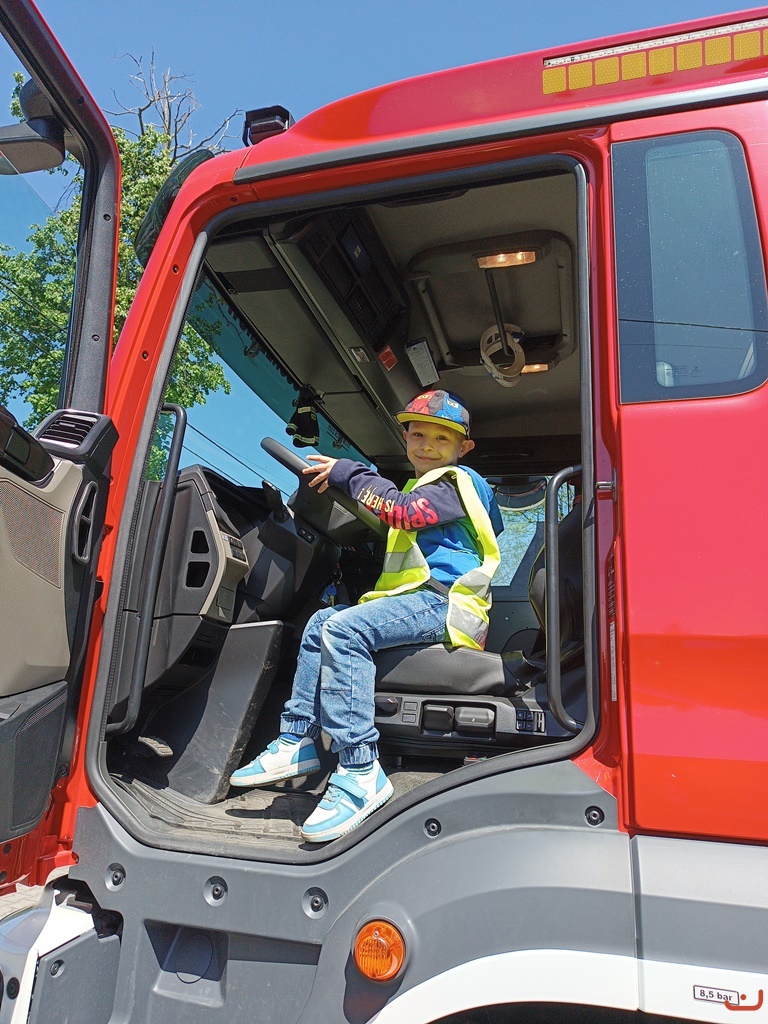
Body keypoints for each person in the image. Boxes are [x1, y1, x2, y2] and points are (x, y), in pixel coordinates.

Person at [230, 389, 503, 842]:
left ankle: (360, 771)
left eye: (442, 438)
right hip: (422, 598)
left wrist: (348, 472)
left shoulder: (457, 482)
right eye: (418, 434)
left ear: (464, 447)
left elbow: (402, 512)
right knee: (322, 622)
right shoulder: (428, 488)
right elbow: (398, 514)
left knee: (344, 629)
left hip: (446, 604)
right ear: (406, 437)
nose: (427, 445)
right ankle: (297, 740)